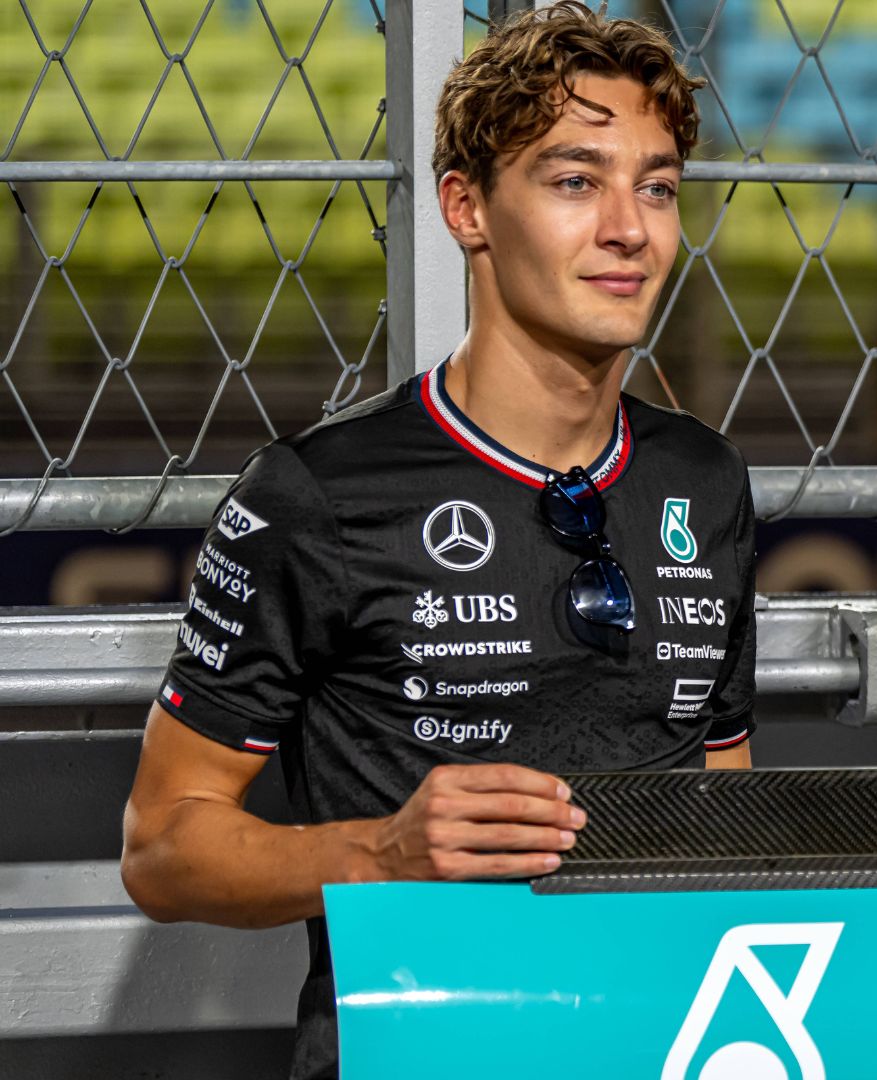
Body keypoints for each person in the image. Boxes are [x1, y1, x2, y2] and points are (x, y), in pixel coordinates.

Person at [119, 6, 756, 1075]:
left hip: (667, 1046)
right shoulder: (315, 493)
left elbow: (728, 805)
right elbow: (161, 847)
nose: (628, 229)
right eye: (573, 181)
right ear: (466, 207)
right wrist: (380, 851)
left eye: (655, 186)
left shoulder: (706, 479)